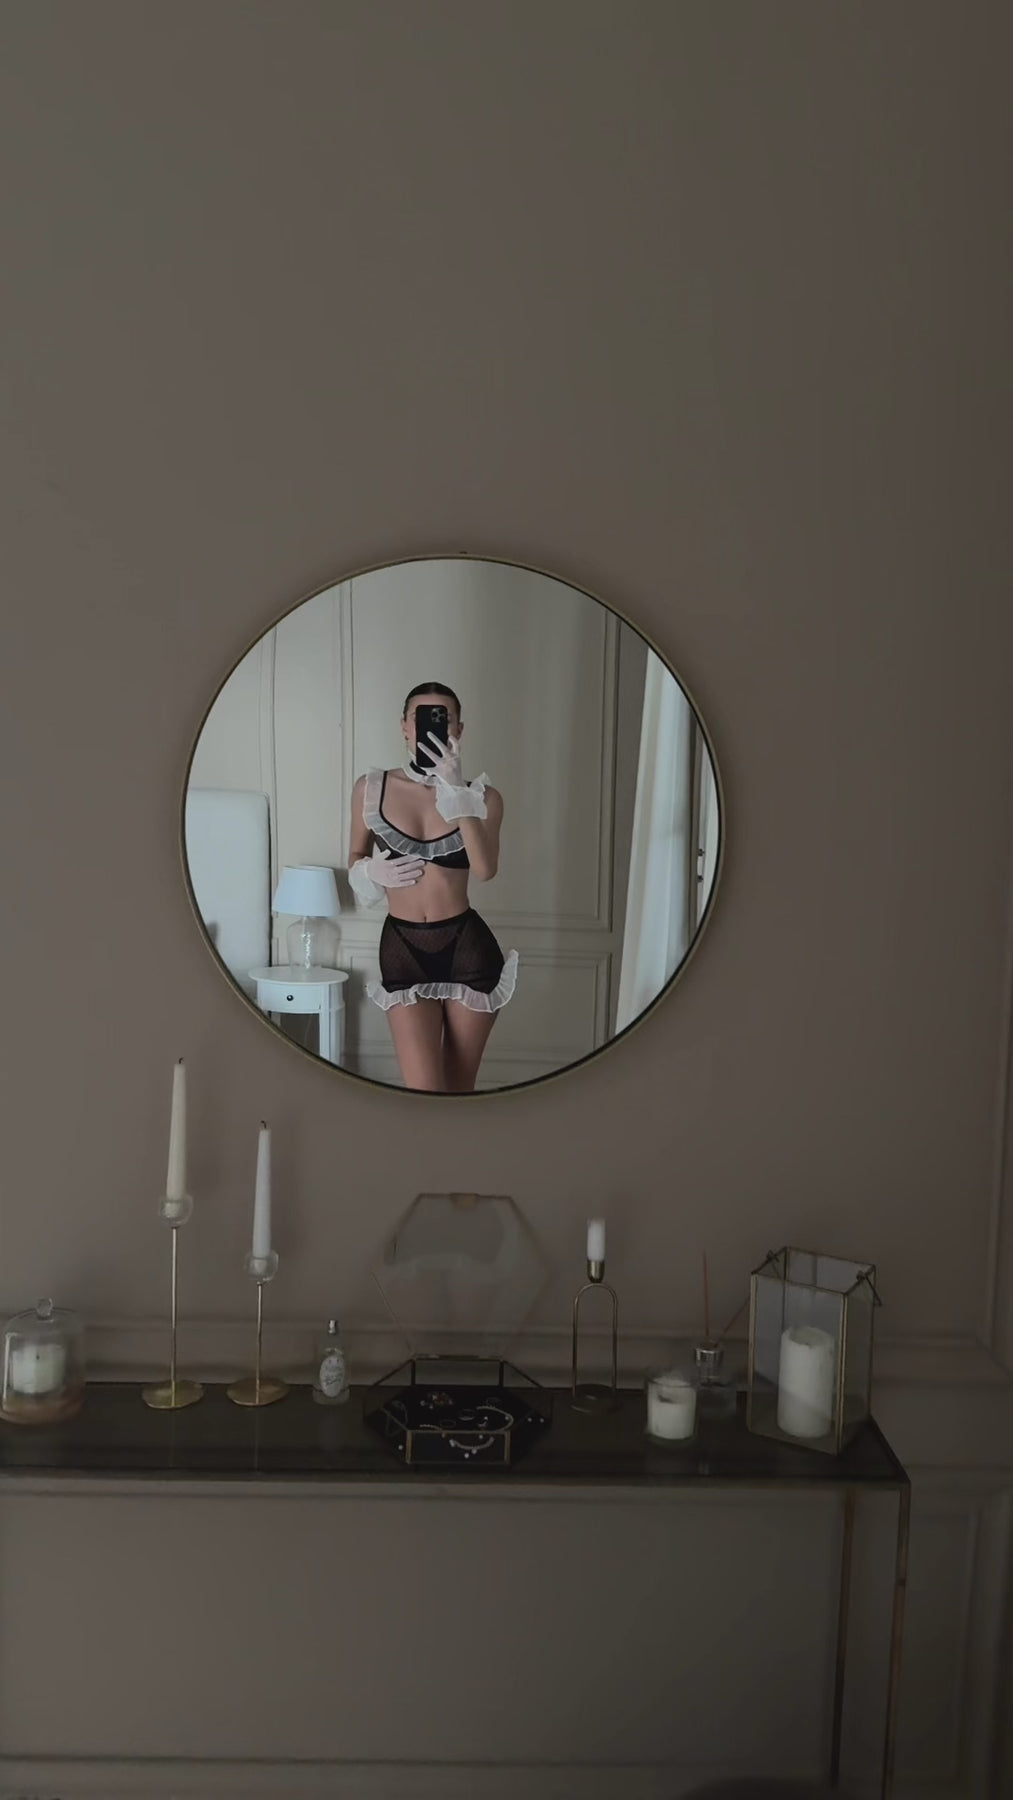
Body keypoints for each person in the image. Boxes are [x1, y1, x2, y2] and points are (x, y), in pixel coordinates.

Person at [347, 682, 517, 1092]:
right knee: (422, 1092)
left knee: (459, 1091)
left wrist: (457, 791)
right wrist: (370, 872)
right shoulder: (370, 788)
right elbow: (354, 855)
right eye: (420, 717)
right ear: (405, 727)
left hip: (467, 948)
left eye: (444, 718)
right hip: (402, 948)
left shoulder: (484, 797)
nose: (431, 726)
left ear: (458, 729)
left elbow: (485, 869)